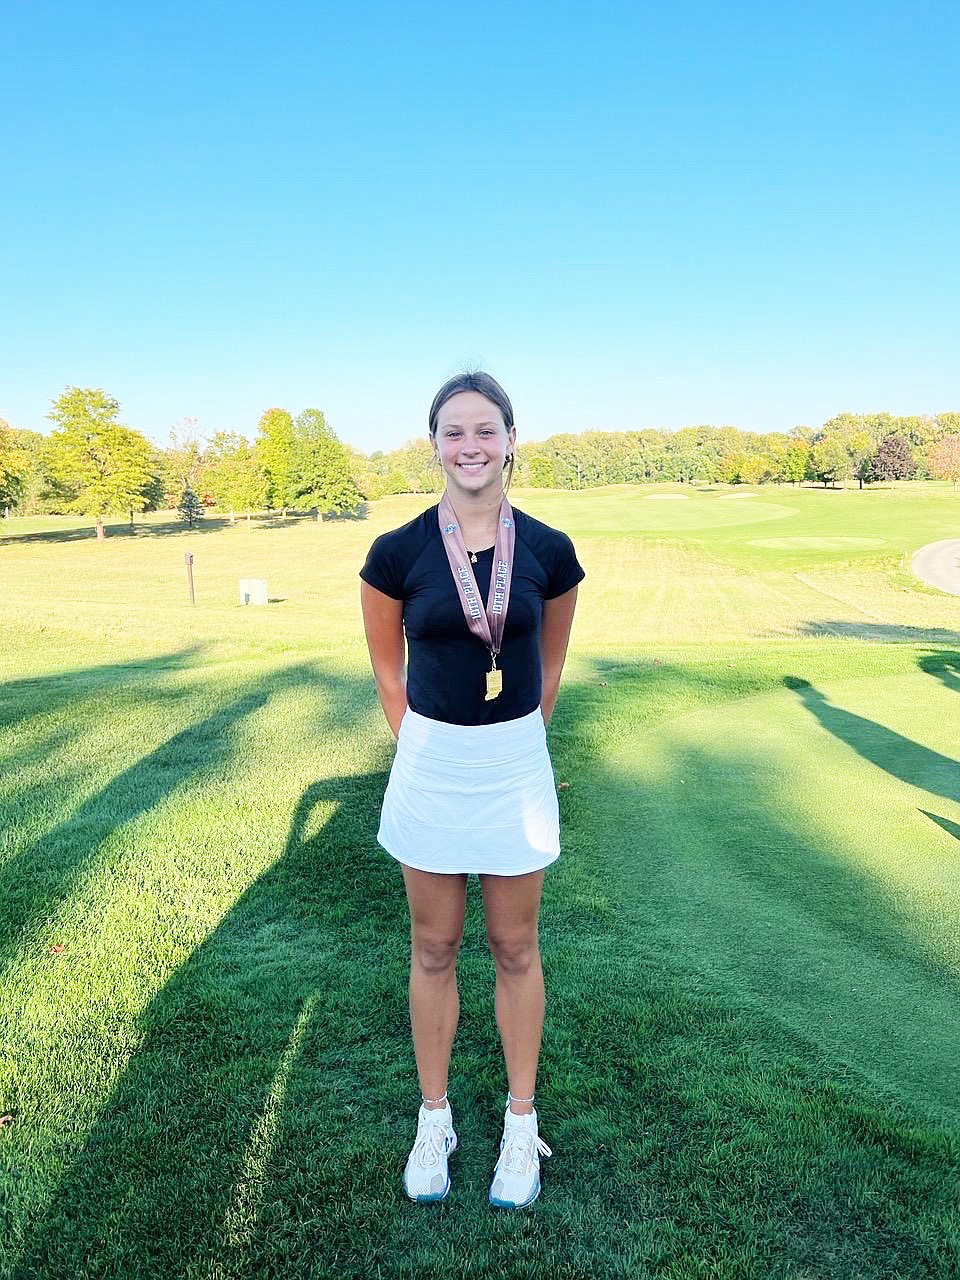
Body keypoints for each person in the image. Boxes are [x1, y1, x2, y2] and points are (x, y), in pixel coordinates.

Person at [359, 371, 584, 1209]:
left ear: (511, 439)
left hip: (515, 764)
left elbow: (550, 659)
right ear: (434, 445)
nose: (471, 447)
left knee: (516, 947)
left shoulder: (551, 551)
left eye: (486, 430)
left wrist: (521, 737)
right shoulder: (397, 552)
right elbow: (389, 673)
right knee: (434, 947)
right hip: (431, 765)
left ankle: (520, 1123)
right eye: (454, 432)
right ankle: (435, 1116)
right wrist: (424, 747)